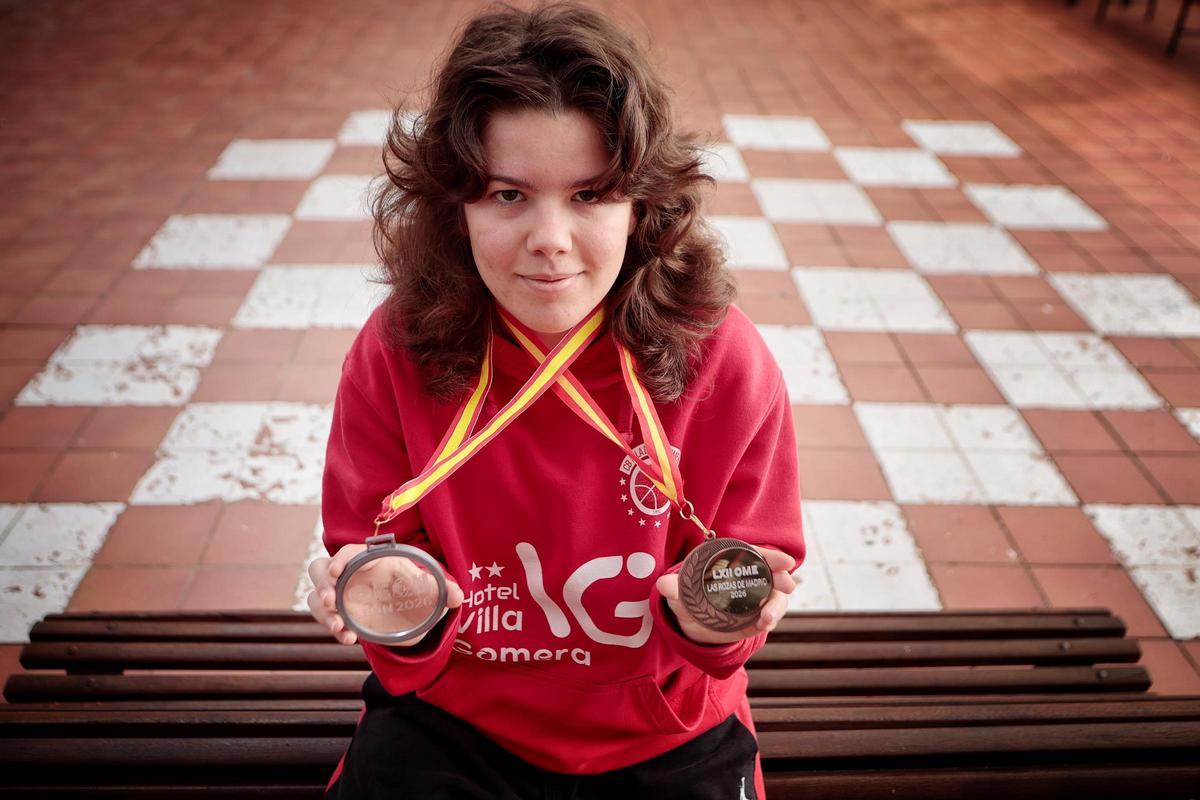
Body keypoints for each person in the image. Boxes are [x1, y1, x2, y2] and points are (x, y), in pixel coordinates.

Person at [307, 3, 804, 797]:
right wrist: (384, 605)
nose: (550, 238)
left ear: (641, 206)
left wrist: (716, 623)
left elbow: (740, 594)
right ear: (454, 204)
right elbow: (380, 572)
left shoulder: (720, 357)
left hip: (667, 726)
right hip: (456, 720)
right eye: (509, 195)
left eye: (590, 195)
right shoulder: (398, 349)